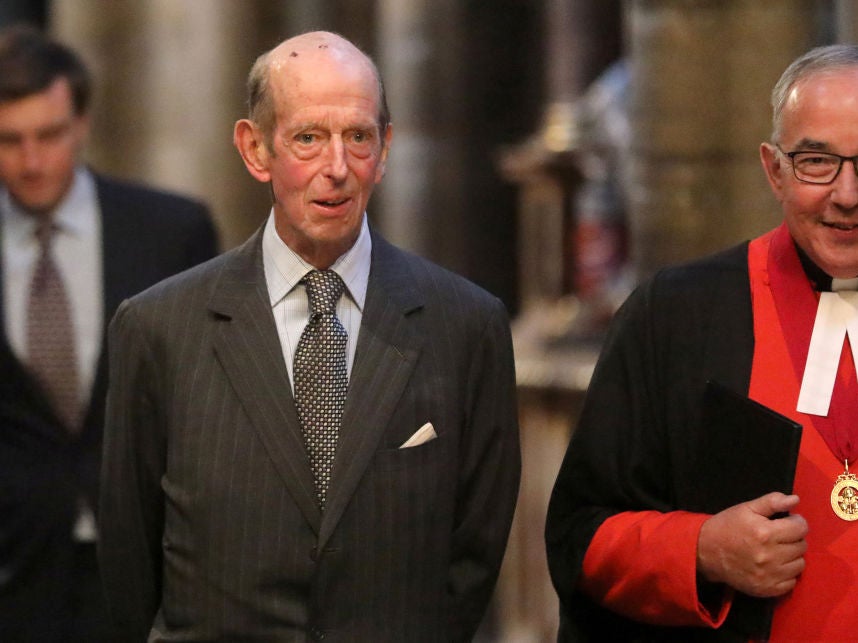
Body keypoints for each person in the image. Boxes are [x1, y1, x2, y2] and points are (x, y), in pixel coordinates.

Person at [98, 30, 520, 641]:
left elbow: (474, 554)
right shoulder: (158, 328)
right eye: (308, 138)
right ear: (255, 148)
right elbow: (129, 564)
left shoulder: (467, 326)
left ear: (386, 148)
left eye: (358, 137)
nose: (338, 169)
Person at [545, 43, 858, 642]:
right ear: (774, 169)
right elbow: (579, 536)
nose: (847, 194)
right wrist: (701, 550)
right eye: (817, 162)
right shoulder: (677, 314)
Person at [0, 25, 219, 643]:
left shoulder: (171, 231)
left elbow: (206, 394)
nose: (32, 160)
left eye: (49, 135)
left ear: (82, 124)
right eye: (9, 141)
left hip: (148, 554)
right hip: (13, 569)